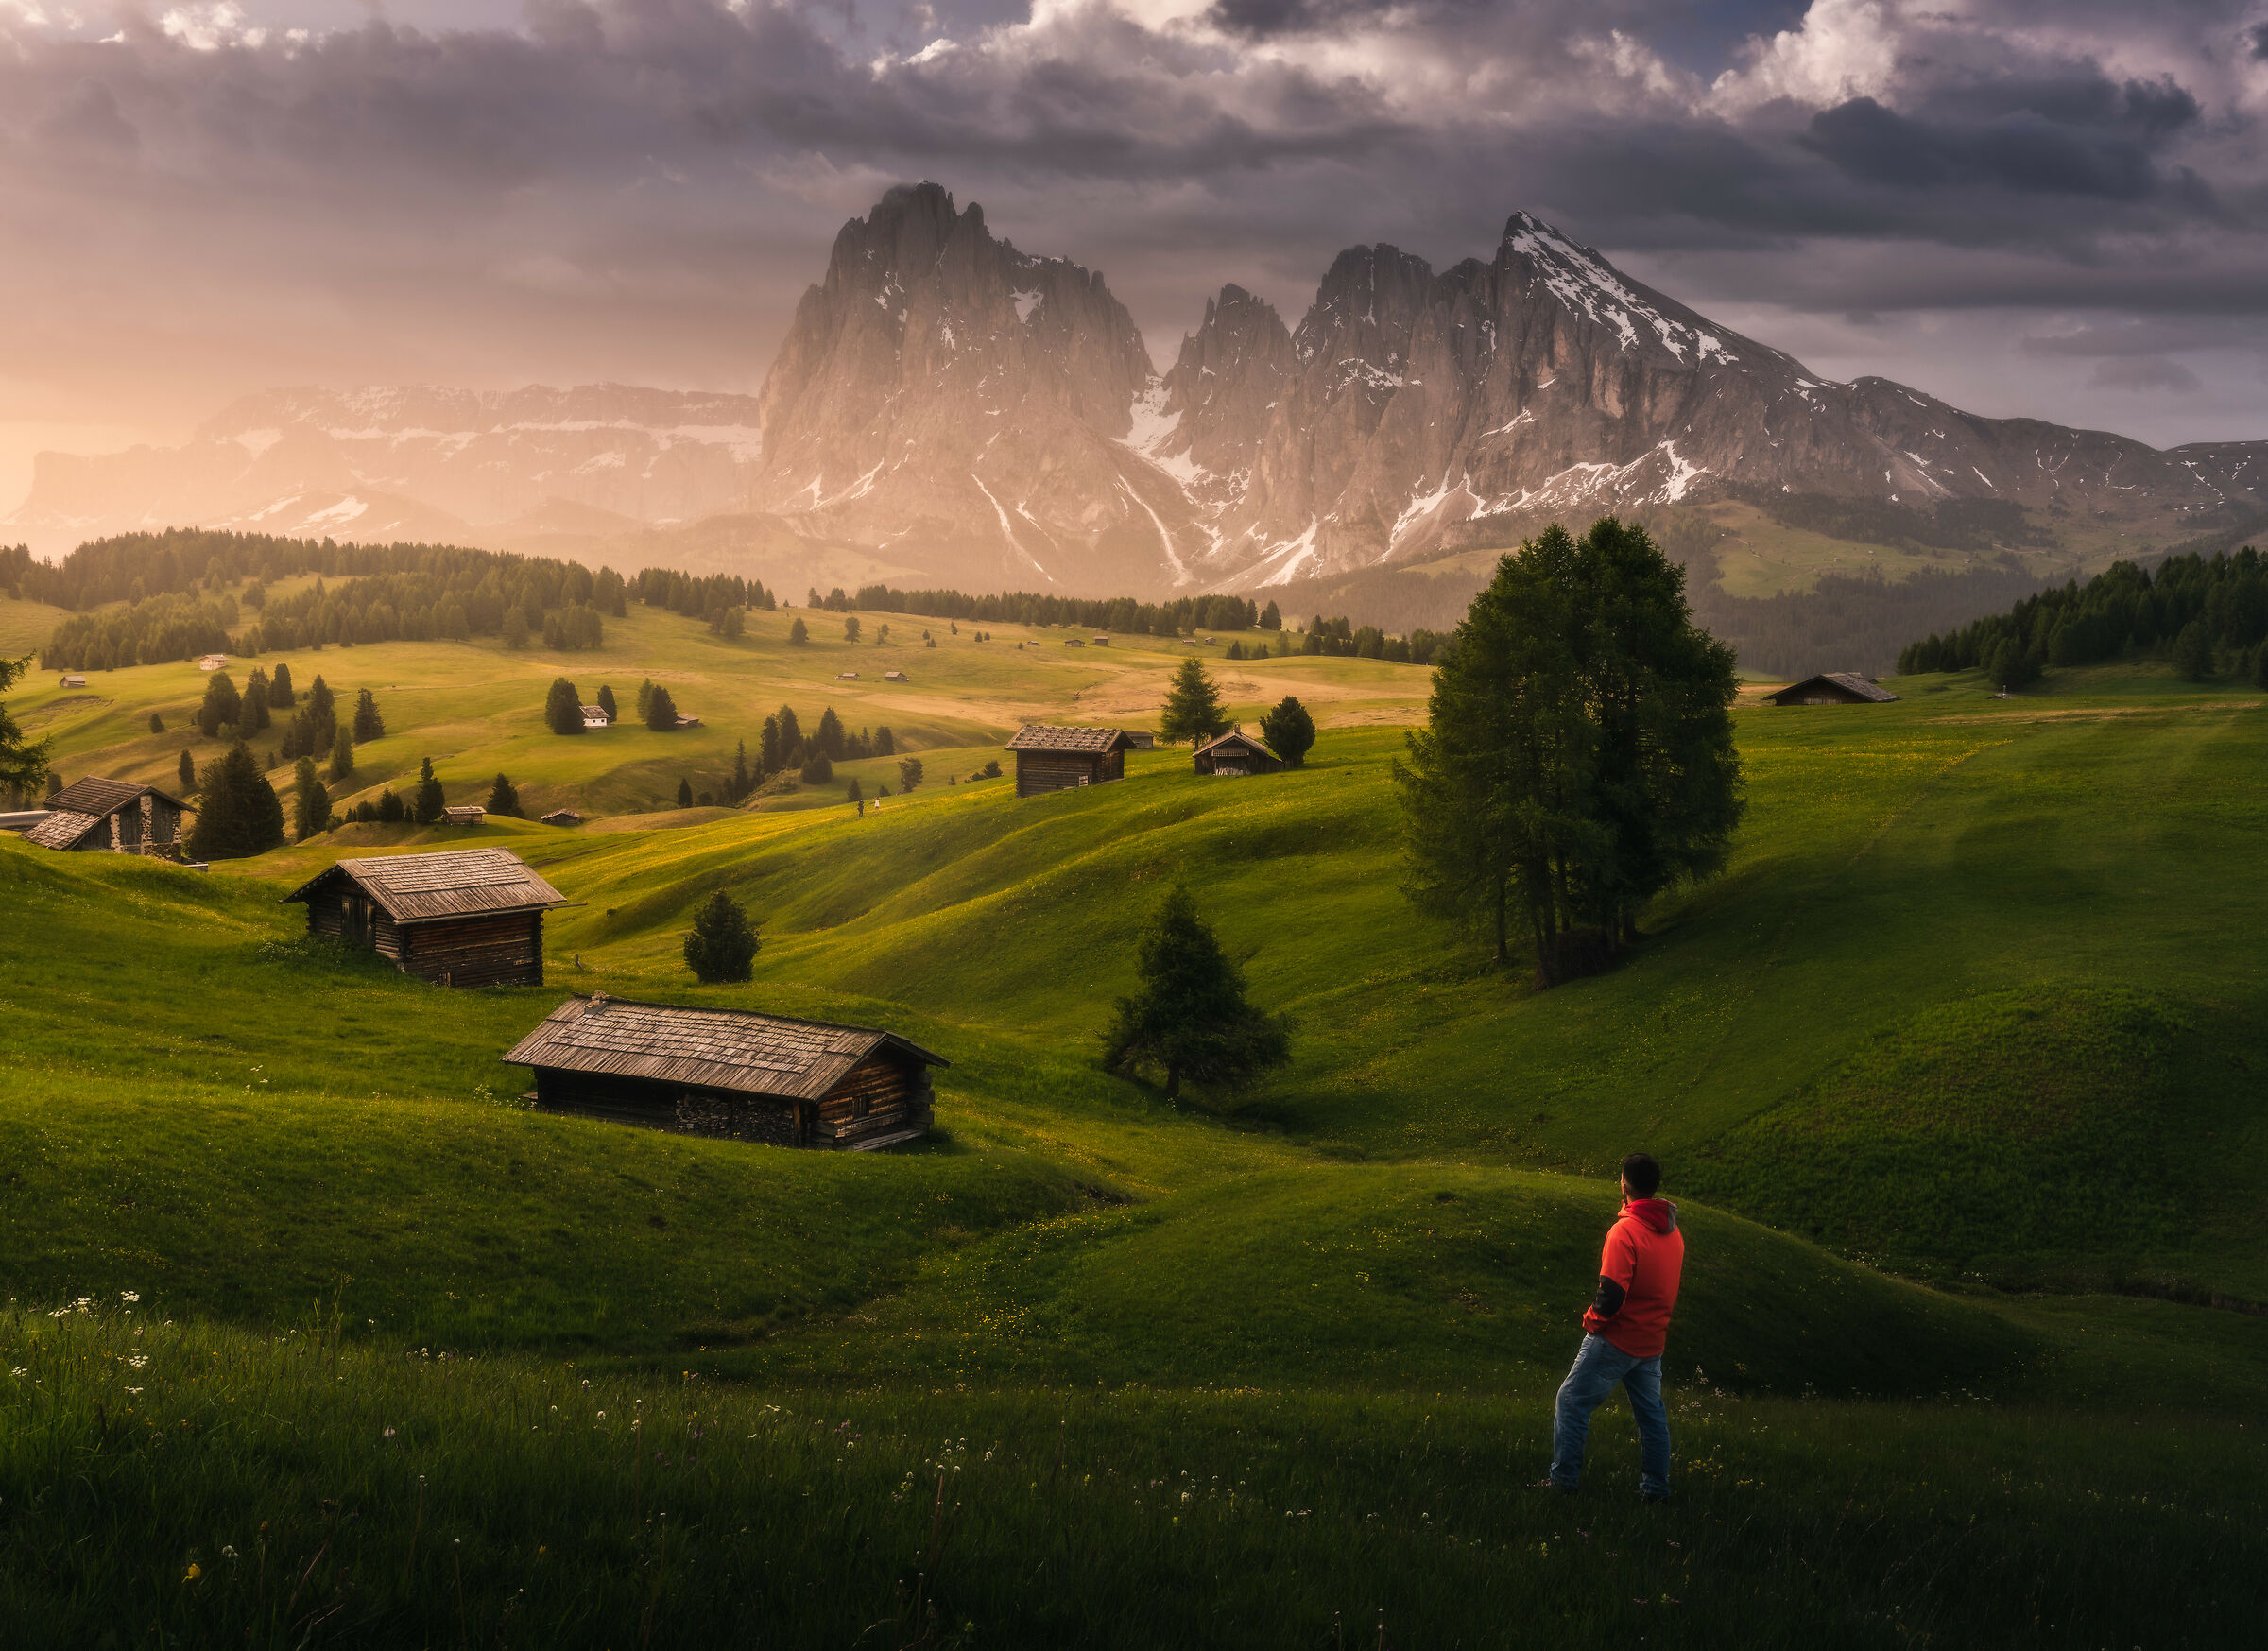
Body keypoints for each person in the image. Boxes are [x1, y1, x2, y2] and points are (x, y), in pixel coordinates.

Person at [1542, 1152, 1684, 1501]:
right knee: (1651, 1417)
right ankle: (1655, 1490)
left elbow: (1610, 1297)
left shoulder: (1625, 1232)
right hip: (1652, 1343)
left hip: (1616, 1340)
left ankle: (1563, 1485)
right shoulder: (1673, 1232)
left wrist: (1591, 1322)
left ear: (1624, 1184)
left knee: (1571, 1402)